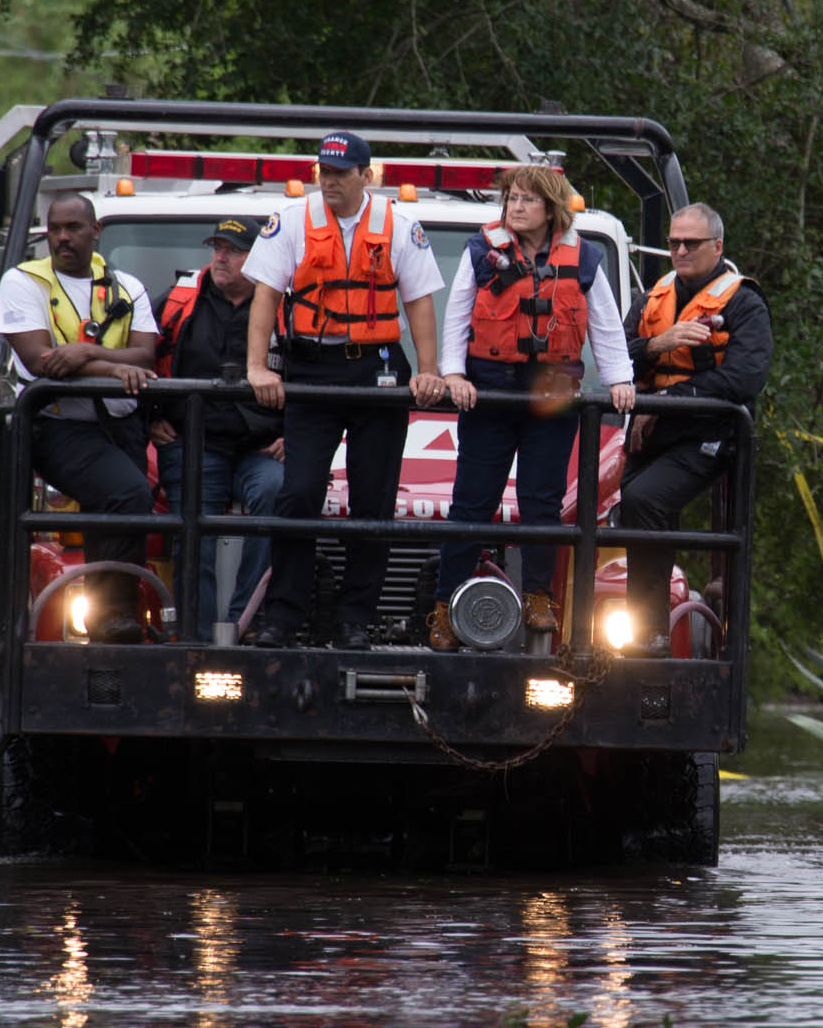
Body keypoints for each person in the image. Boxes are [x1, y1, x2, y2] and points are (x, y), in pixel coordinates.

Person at [241, 130, 449, 649]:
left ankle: (357, 618)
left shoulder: (399, 226)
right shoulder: (291, 221)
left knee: (373, 499)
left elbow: (419, 302)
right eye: (323, 171)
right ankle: (284, 615)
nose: (329, 181)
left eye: (340, 172)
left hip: (377, 370)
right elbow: (265, 296)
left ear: (366, 175)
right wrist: (257, 368)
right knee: (299, 492)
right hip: (312, 369)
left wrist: (428, 370)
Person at [430, 166, 636, 650]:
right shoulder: (482, 251)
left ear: (550, 208)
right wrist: (453, 374)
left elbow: (604, 323)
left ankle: (538, 599)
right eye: (511, 199)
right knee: (471, 503)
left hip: (551, 398)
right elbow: (458, 312)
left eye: (526, 200)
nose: (515, 207)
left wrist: (620, 379)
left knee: (542, 503)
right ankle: (443, 608)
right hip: (491, 393)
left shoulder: (582, 258)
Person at [0, 190, 160, 640]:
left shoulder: (129, 287)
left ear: (95, 232)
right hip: (59, 425)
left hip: (124, 423)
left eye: (73, 228)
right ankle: (114, 617)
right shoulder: (23, 282)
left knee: (142, 504)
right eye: (55, 229)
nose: (62, 239)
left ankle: (165, 617)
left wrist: (83, 352)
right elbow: (39, 360)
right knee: (127, 495)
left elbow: (145, 356)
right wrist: (111, 364)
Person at [618, 202, 770, 652]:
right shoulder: (654, 296)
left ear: (717, 246)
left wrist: (666, 401)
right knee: (618, 505)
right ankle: (634, 628)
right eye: (673, 243)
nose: (680, 250)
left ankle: (649, 633)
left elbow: (744, 378)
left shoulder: (744, 302)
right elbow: (615, 352)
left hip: (709, 434)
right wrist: (655, 346)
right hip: (652, 432)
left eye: (692, 243)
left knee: (645, 499)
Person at [150, 216, 286, 641]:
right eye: (217, 247)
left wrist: (295, 436)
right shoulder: (178, 301)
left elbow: (318, 376)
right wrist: (149, 416)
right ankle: (197, 641)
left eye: (233, 249)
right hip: (194, 442)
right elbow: (138, 357)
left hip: (260, 448)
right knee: (193, 527)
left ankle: (246, 626)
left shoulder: (289, 309)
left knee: (278, 492)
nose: (220, 257)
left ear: (259, 257)